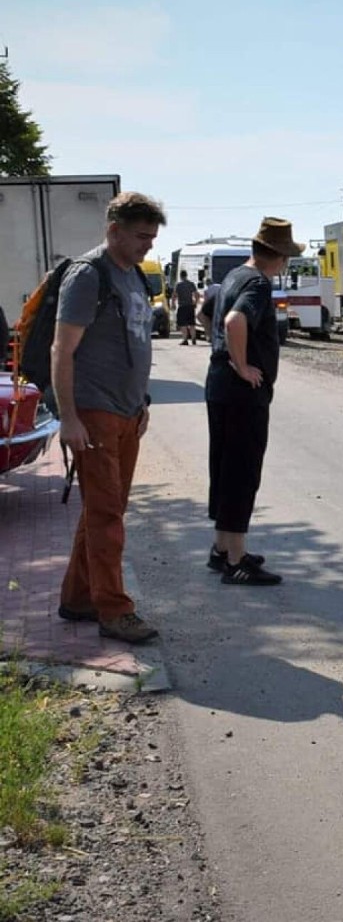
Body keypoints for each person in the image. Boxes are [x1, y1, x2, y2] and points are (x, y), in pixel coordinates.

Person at [51, 191, 167, 644]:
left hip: (127, 414)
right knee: (106, 517)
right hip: (94, 413)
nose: (148, 246)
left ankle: (79, 597)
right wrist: (68, 418)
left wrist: (141, 403)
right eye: (141, 236)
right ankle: (114, 611)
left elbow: (135, 343)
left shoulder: (134, 276)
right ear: (113, 230)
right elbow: (62, 349)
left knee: (105, 511)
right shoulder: (88, 275)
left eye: (153, 237)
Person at [205, 217, 304, 583]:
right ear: (277, 256)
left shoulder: (232, 276)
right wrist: (242, 364)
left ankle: (222, 548)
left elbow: (207, 313)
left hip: (219, 388)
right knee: (242, 473)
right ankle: (235, 561)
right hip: (242, 394)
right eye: (286, 258)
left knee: (225, 468)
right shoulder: (259, 284)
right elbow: (234, 321)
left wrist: (226, 358)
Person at [172, 269, 199, 345]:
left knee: (183, 324)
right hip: (190, 306)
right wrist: (195, 303)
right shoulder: (191, 284)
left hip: (182, 306)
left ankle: (185, 339)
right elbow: (197, 295)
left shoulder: (179, 285)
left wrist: (173, 304)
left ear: (180, 276)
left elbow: (174, 295)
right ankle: (193, 339)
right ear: (186, 275)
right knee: (192, 323)